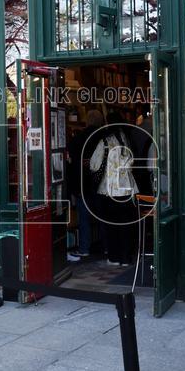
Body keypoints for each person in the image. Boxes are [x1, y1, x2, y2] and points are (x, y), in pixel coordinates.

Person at [90, 112, 138, 267]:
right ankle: (125, 257)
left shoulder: (105, 142)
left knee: (111, 225)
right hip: (127, 188)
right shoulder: (126, 139)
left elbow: (94, 165)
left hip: (109, 189)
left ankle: (114, 257)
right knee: (126, 225)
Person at [66, 110, 104, 262]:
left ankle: (84, 248)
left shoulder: (78, 138)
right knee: (102, 217)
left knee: (84, 218)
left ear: (87, 120)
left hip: (82, 183)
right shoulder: (104, 137)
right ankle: (105, 246)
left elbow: (71, 162)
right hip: (100, 182)